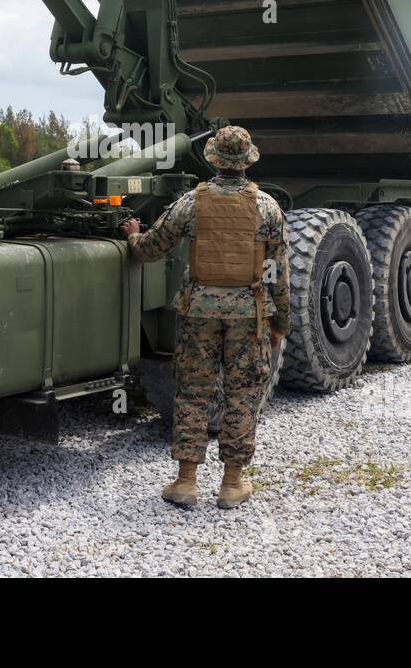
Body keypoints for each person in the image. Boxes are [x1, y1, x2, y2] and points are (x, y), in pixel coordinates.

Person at [120, 125, 290, 509]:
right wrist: (280, 323)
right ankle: (232, 485)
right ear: (247, 161)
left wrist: (132, 234)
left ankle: (185, 482)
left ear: (214, 158)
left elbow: (150, 248)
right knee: (242, 395)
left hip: (199, 312)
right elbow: (279, 273)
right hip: (249, 315)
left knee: (194, 392)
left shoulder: (191, 203)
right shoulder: (267, 207)